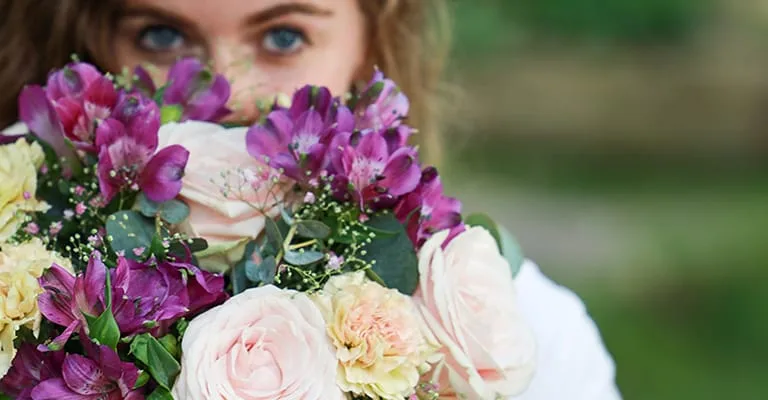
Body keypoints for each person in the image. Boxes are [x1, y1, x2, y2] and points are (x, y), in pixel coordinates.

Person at [0, 1, 622, 398]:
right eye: (161, 34)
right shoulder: (22, 303)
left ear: (370, 46)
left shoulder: (525, 332)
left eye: (283, 37)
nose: (231, 92)